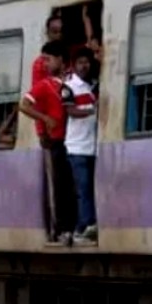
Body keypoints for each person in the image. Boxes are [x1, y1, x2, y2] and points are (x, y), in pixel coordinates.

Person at [20, 41, 77, 245]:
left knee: (71, 186)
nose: (44, 64)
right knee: (60, 186)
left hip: (74, 140)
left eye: (48, 59)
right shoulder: (44, 85)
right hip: (57, 140)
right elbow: (24, 105)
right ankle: (61, 228)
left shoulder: (70, 82)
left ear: (61, 60)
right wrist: (45, 119)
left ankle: (73, 226)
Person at [64, 47, 99, 244]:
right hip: (76, 146)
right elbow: (70, 111)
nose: (84, 66)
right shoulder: (68, 87)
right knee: (84, 188)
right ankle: (86, 225)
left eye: (87, 62)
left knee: (89, 188)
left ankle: (82, 227)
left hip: (92, 146)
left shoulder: (93, 86)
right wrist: (92, 111)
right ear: (74, 66)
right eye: (80, 63)